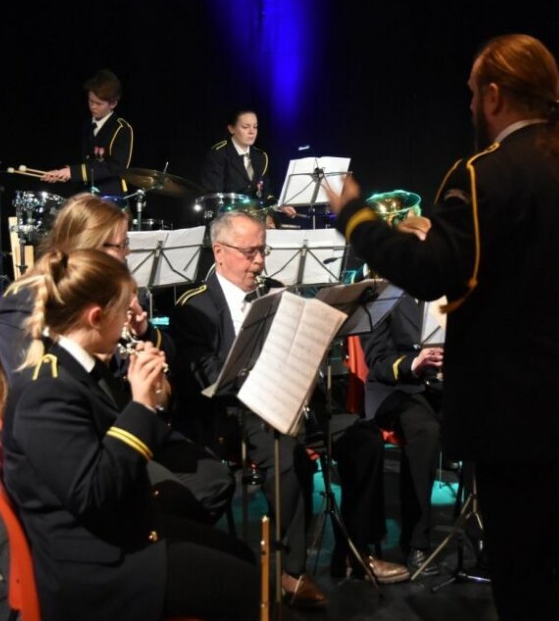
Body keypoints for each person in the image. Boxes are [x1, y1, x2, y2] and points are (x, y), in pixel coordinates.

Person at [325, 34, 559, 619]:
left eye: (471, 94)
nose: (469, 106)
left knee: (529, 582)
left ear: (494, 95)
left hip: (525, 417)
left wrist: (356, 218)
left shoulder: (484, 175)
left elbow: (430, 272)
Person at [0, 248, 259, 621]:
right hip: (98, 570)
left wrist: (155, 401)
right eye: (123, 312)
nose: (129, 321)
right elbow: (95, 492)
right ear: (97, 317)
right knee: (251, 588)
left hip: (119, 532)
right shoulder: (45, 391)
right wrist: (141, 406)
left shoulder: (79, 367)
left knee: (242, 556)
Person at [167, 211, 410, 610]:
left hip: (291, 399)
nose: (260, 261)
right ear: (220, 252)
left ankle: (354, 552)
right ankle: (291, 572)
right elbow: (205, 378)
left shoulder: (275, 291)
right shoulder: (192, 306)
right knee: (285, 454)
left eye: (263, 250)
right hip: (236, 413)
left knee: (363, 438)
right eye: (250, 253)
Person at [0, 193, 235, 526]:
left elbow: (163, 358)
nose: (125, 256)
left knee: (212, 472)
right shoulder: (25, 302)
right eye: (117, 247)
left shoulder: (114, 290)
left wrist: (143, 333)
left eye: (125, 245)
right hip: (75, 442)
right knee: (197, 492)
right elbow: (43, 391)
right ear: (85, 245)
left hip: (116, 419)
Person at [361, 292, 444, 575]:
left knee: (484, 419)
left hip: (439, 387)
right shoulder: (382, 295)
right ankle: (416, 542)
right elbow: (378, 359)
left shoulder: (446, 285)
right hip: (394, 389)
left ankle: (485, 535)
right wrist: (414, 363)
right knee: (426, 431)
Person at [41, 69, 134, 199]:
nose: (93, 107)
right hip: (86, 193)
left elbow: (115, 167)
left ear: (113, 103)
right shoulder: (87, 125)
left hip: (109, 197)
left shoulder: (121, 128)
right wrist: (61, 173)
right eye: (91, 101)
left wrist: (73, 172)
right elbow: (87, 160)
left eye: (98, 103)